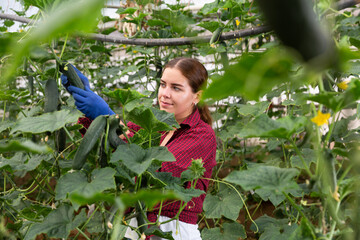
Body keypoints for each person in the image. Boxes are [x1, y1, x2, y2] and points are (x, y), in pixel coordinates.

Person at [61, 57, 217, 240]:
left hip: (173, 230)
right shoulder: (152, 123)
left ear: (196, 96)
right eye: (163, 84)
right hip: (135, 227)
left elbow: (156, 171)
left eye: (176, 88)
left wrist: (108, 116)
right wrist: (84, 95)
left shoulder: (202, 135)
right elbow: (112, 141)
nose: (165, 93)